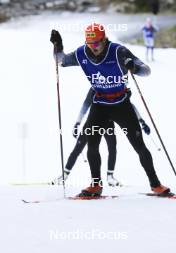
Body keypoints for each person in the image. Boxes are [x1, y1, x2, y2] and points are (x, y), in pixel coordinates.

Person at [50, 23, 170, 197]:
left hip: (121, 104)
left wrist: (134, 67)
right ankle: (96, 185)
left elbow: (147, 71)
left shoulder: (118, 51)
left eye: (97, 43)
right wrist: (57, 46)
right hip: (99, 105)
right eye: (90, 44)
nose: (94, 48)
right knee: (92, 145)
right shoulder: (82, 53)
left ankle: (156, 184)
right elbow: (60, 60)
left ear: (104, 39)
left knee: (139, 146)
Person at [51, 88, 151, 187]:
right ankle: (64, 175)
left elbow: (129, 106)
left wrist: (142, 121)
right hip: (94, 121)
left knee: (112, 148)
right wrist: (78, 123)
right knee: (79, 148)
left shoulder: (116, 84)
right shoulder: (95, 87)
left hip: (109, 122)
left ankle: (110, 177)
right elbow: (85, 105)